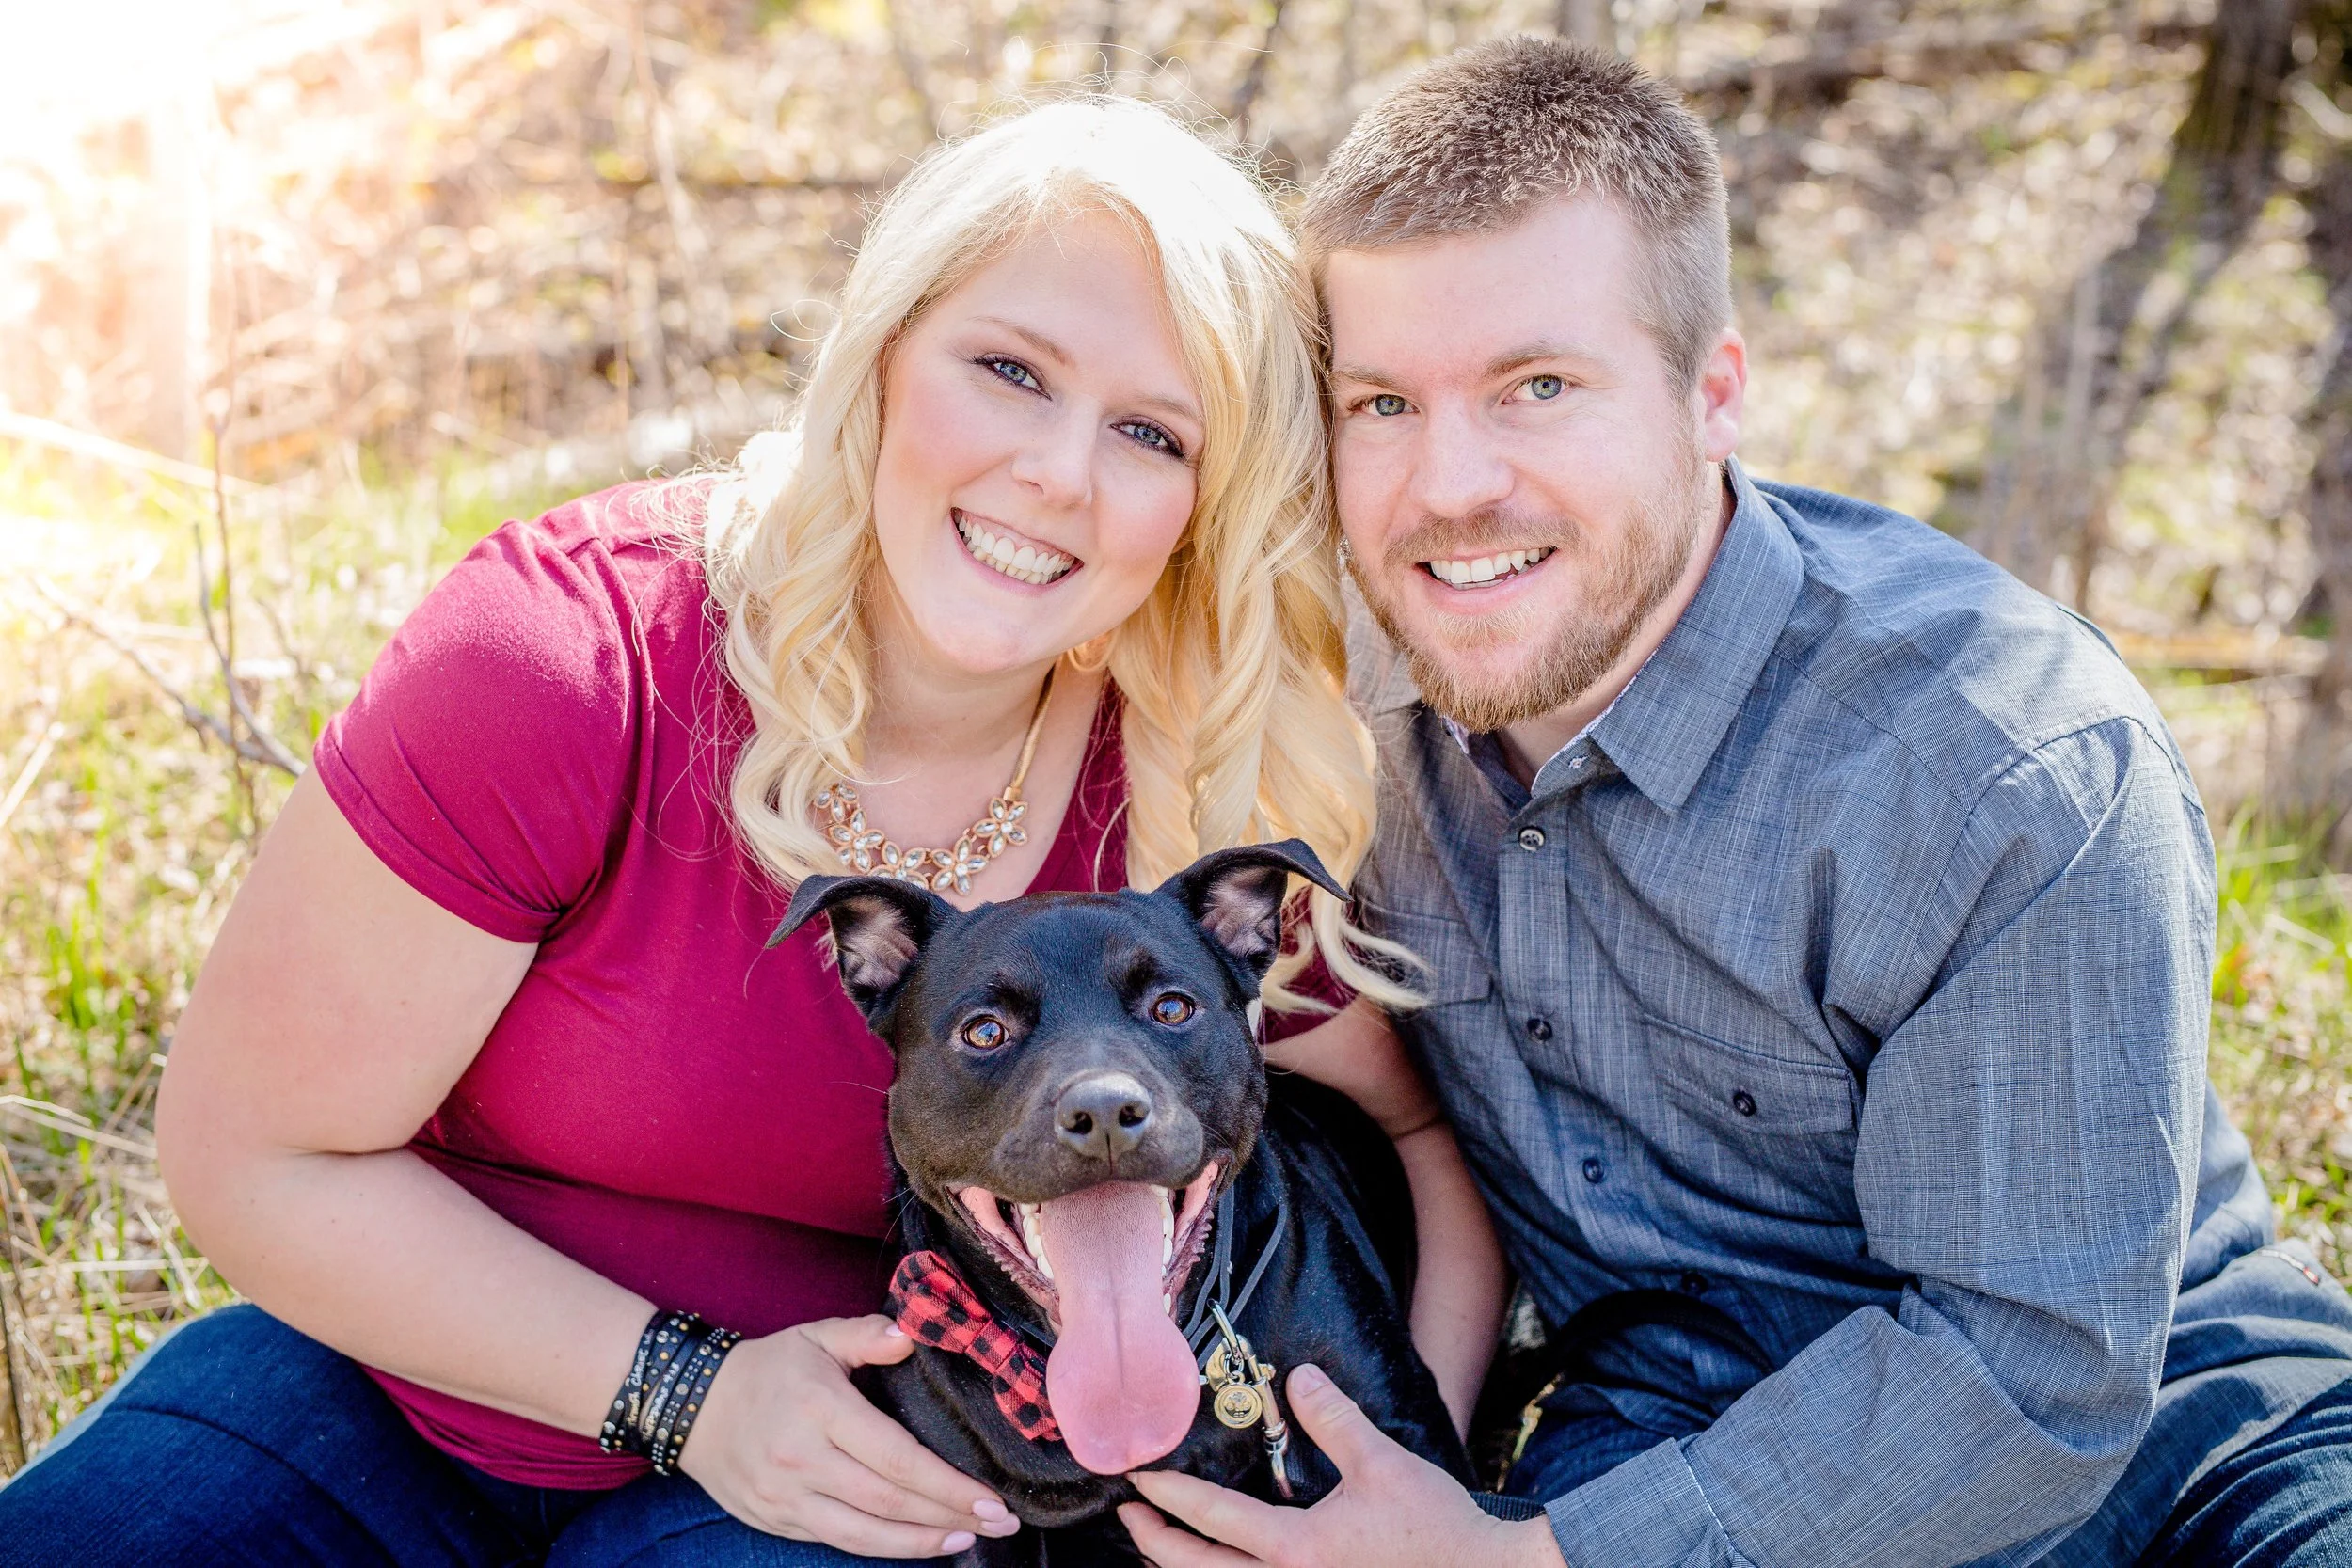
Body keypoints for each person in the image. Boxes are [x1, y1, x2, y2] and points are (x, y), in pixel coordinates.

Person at [0, 99, 1503, 1566]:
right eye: (1007, 368)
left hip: (841, 1486)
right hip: (379, 1405)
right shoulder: (572, 662)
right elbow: (249, 1155)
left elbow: (1417, 1135)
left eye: (1151, 432)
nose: (1059, 470)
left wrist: (1395, 1485)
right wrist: (683, 1390)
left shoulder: (1185, 781)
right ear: (882, 352)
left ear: (1208, 499)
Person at [1120, 38, 2352, 1568]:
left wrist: (1529, 1564)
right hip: (1659, 1423)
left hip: (2171, 1451)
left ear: (1715, 394)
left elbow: (2037, 1368)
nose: (1446, 486)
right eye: (1382, 403)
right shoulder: (1331, 720)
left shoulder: (2001, 757)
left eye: (1539, 386)